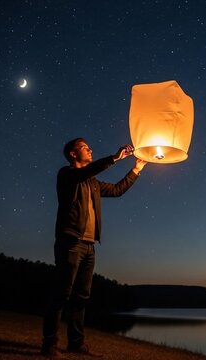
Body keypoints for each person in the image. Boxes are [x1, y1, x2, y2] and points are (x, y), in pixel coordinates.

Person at [41, 138, 146, 358]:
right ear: (72, 154)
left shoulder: (93, 183)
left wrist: (136, 169)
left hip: (89, 246)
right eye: (84, 147)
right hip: (70, 242)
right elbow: (84, 173)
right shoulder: (67, 175)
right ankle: (49, 344)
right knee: (61, 294)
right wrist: (116, 157)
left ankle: (76, 343)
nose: (89, 149)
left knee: (81, 297)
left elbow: (117, 190)